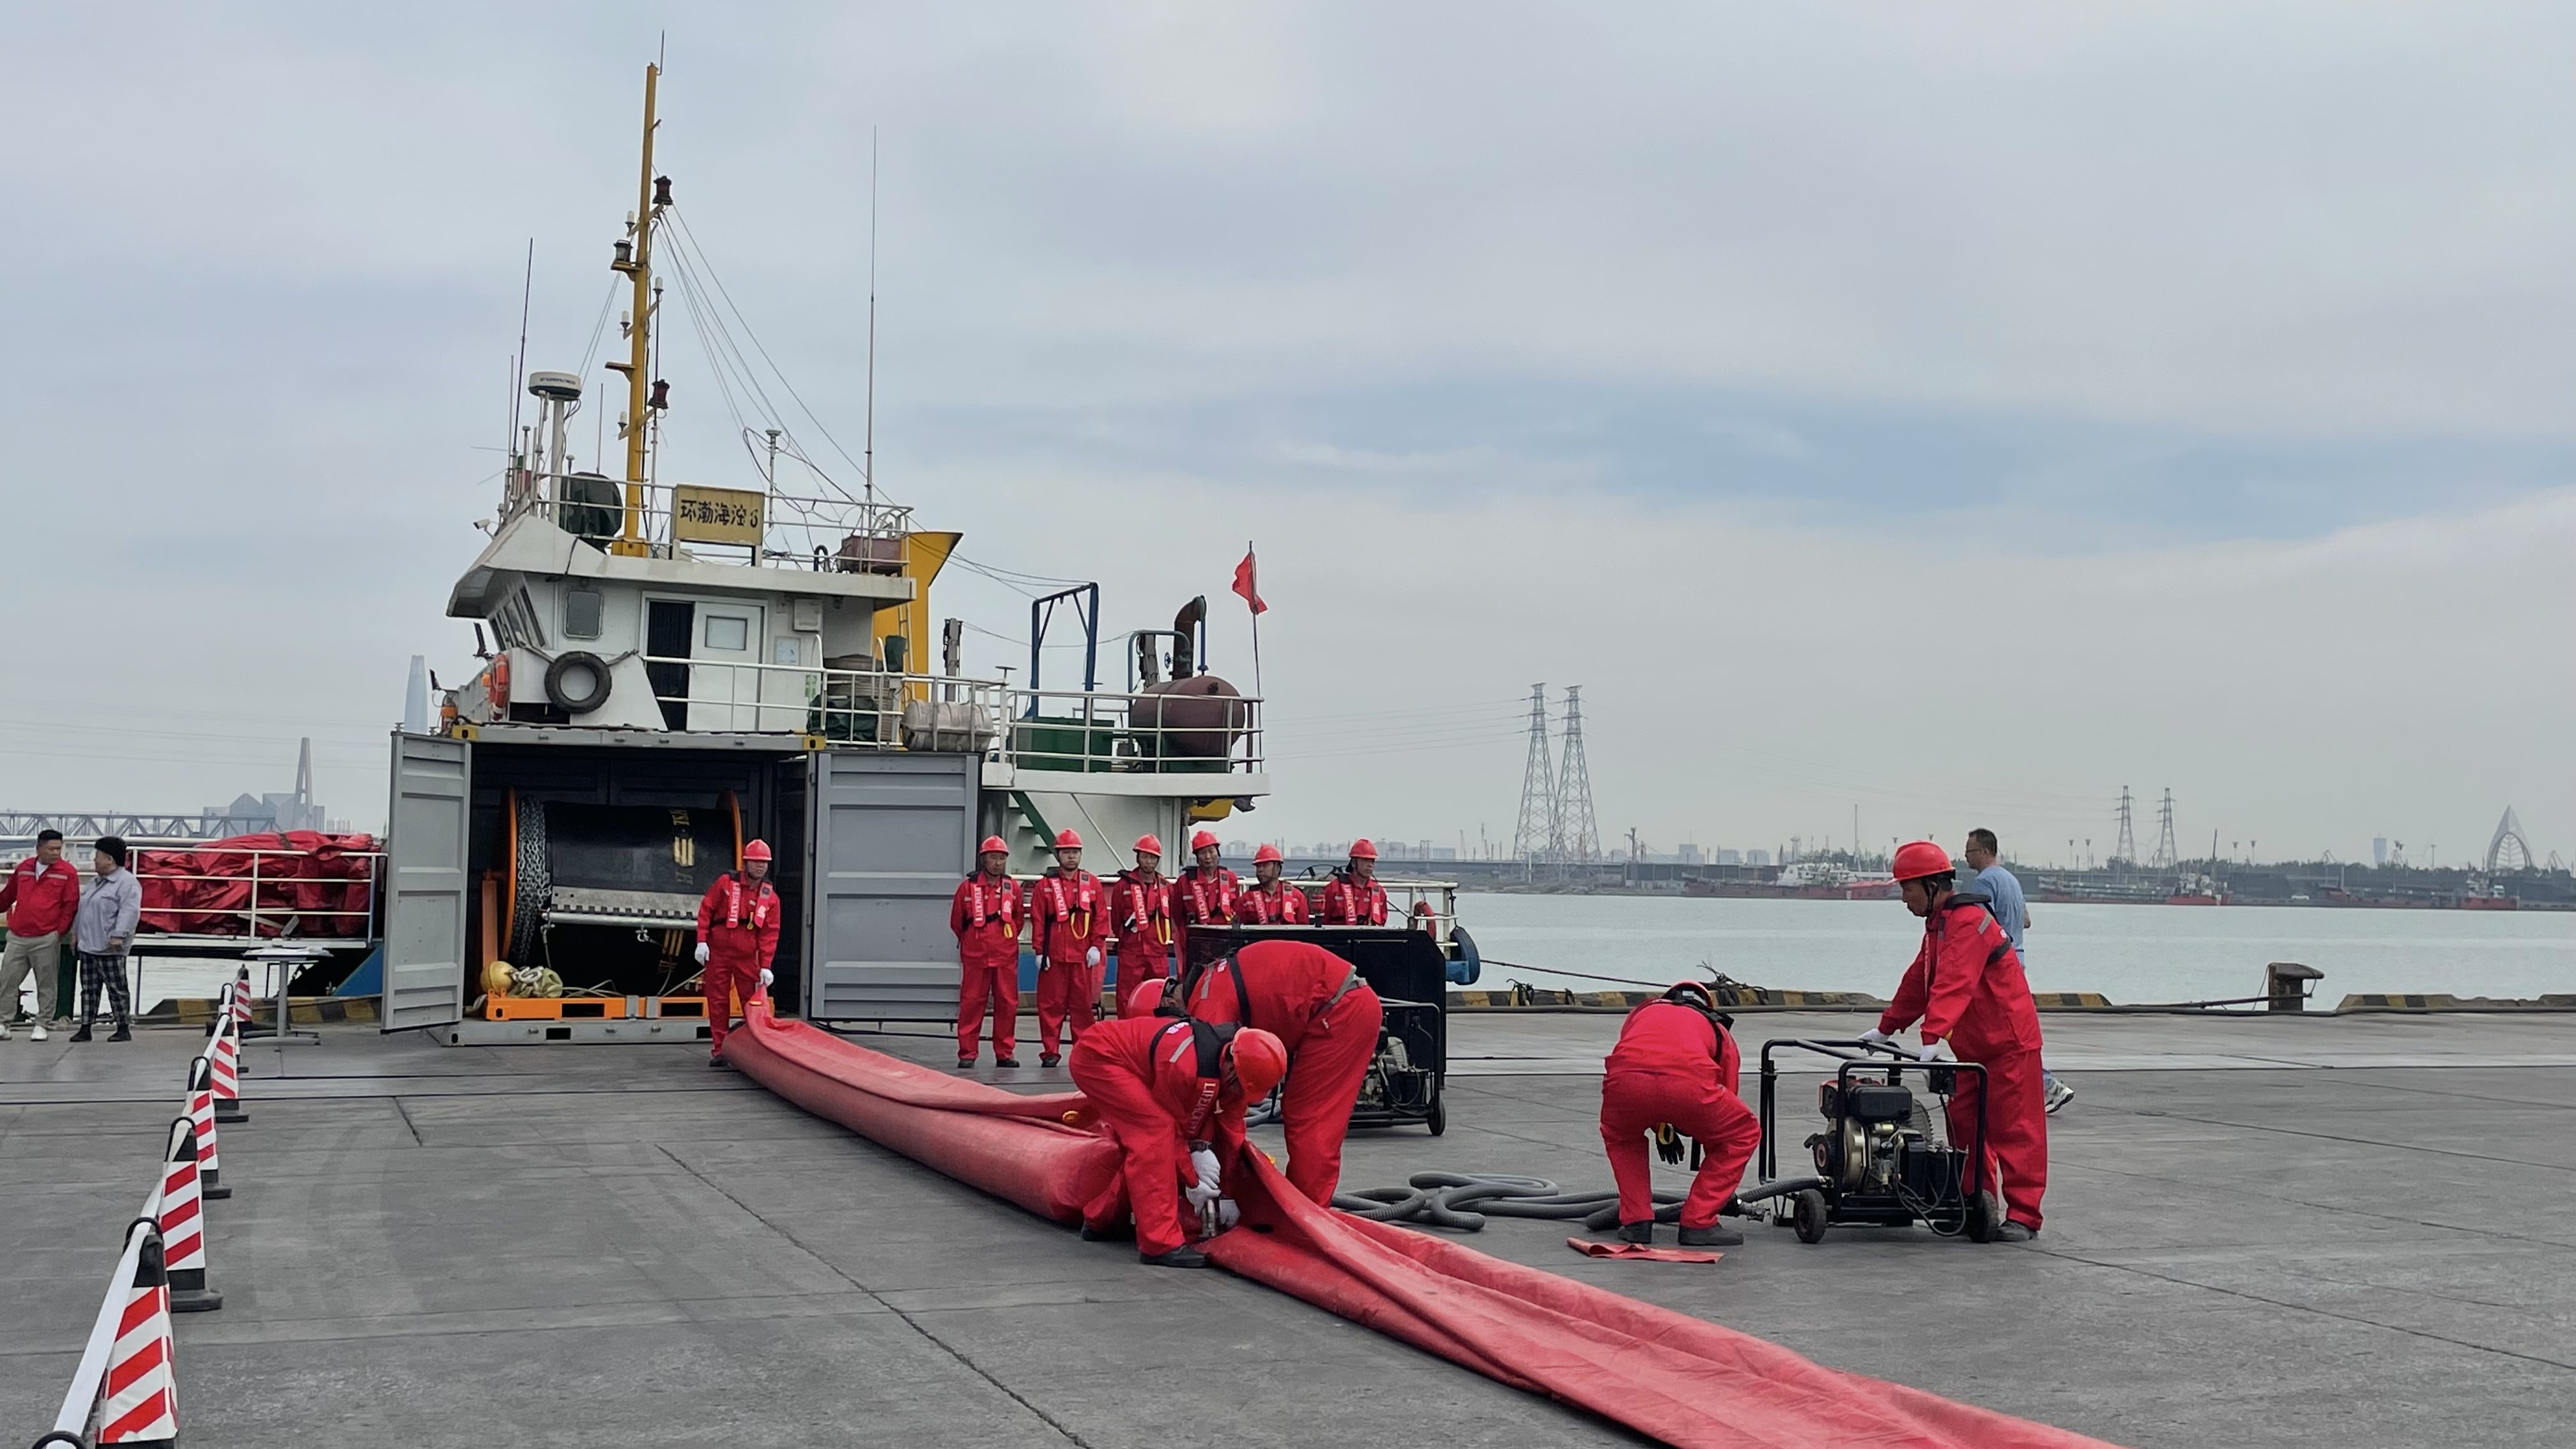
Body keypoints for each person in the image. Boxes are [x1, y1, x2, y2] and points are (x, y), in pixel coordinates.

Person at [1862, 840, 2048, 1241]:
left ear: (1931, 886)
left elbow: (1954, 983)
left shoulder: (1967, 922)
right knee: (1965, 1128)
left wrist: (1931, 1037)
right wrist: (1887, 1027)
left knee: (2016, 1131)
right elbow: (1920, 981)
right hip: (1975, 1049)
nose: (1903, 898)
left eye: (1906, 888)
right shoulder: (1940, 925)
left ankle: (2024, 1216)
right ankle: (1973, 1202)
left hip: (2009, 1044)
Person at [1068, 990, 1287, 1268]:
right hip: (1098, 1058)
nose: (1240, 1095)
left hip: (1131, 1062)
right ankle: (1159, 1244)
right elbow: (1172, 1132)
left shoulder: (1235, 1070)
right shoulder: (1185, 1066)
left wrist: (1228, 1192)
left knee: (1151, 1138)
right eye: (1240, 1087)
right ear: (1232, 1068)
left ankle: (1101, 1221)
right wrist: (1194, 1181)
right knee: (1153, 1136)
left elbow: (1231, 1131)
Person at [1181, 937, 1383, 1205]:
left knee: (1310, 1118)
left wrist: (1211, 1170)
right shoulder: (1213, 983)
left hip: (1342, 1011)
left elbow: (1219, 1103)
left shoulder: (1207, 1011)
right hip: (1336, 1004)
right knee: (1301, 1112)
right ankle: (1302, 1208)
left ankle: (1308, 1215)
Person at [1597, 981, 1761, 1247]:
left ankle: (1636, 1222)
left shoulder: (1643, 1012)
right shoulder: (1717, 1028)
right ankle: (1699, 1221)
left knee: (1622, 1138)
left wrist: (1663, 1124)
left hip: (1624, 1083)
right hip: (1689, 1087)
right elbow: (1728, 1092)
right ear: (1706, 1005)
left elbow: (1644, 1062)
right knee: (1742, 1132)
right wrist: (1693, 1124)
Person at [1963, 829, 2074, 1114]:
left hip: (1997, 964)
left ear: (1985, 851)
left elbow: (1978, 924)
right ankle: (2027, 1087)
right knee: (2012, 1029)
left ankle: (2047, 1085)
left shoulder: (1984, 881)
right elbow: (2026, 920)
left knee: (2002, 1033)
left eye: (1969, 851)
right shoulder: (2011, 880)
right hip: (2017, 959)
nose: (1965, 857)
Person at [695, 839, 783, 1068]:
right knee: (718, 1002)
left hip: (747, 958)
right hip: (718, 954)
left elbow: (770, 934)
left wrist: (766, 966)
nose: (761, 867)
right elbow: (706, 910)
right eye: (756, 862)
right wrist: (702, 941)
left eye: (764, 863)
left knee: (752, 1004)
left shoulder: (770, 898)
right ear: (746, 863)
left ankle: (754, 1049)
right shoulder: (725, 883)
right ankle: (720, 1050)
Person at [1029, 829, 1105, 1064]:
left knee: (1083, 1009)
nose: (1071, 856)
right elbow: (1038, 919)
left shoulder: (1092, 884)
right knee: (1051, 1007)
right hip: (1054, 958)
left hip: (1082, 957)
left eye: (1075, 852)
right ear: (1058, 855)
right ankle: (1050, 1053)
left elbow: (1101, 918)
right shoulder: (1045, 886)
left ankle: (1083, 1053)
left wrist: (1096, 945)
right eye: (1066, 852)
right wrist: (1039, 951)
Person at [0, 829, 80, 1041]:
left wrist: (59, 932)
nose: (56, 853)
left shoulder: (68, 872)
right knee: (7, 981)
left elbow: (70, 905)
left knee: (46, 983)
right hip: (18, 935)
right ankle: (3, 1023)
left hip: (46, 936)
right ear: (38, 848)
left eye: (59, 849)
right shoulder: (24, 868)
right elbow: (9, 895)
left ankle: (42, 1024)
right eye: (51, 849)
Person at [70, 836, 142, 1043]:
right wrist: (75, 933)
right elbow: (82, 910)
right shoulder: (95, 883)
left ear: (109, 859)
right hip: (88, 945)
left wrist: (119, 935)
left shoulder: (127, 883)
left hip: (110, 946)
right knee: (89, 990)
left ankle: (123, 1027)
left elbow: (129, 911)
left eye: (98, 856)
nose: (94, 860)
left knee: (117, 989)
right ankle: (85, 1027)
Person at [1107, 835, 1175, 1010]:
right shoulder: (1123, 886)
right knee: (1126, 996)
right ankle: (1127, 1027)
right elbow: (1116, 919)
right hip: (1131, 951)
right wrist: (1127, 942)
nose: (1149, 862)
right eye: (1145, 857)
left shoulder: (1166, 887)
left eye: (1153, 857)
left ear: (1158, 860)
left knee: (1158, 996)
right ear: (1137, 858)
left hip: (1158, 952)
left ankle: (1154, 1026)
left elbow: (1173, 917)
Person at [1172, 829, 1238, 969]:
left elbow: (1237, 910)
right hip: (1196, 944)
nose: (1208, 857)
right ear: (1197, 857)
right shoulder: (1184, 882)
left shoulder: (1231, 879)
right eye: (1202, 853)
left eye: (1211, 851)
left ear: (1217, 852)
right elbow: (1176, 917)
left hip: (1224, 942)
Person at [1320, 839, 1389, 925]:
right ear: (1353, 863)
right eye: (1365, 860)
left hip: (1369, 933)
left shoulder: (1379, 892)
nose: (1370, 865)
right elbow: (1324, 920)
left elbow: (1382, 921)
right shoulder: (1335, 888)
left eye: (1372, 861)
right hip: (1338, 933)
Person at [1236, 844, 1309, 924]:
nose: (1260, 870)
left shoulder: (1297, 897)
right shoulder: (1246, 899)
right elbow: (1237, 925)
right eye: (1258, 866)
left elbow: (1304, 927)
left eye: (1265, 865)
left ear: (1277, 868)